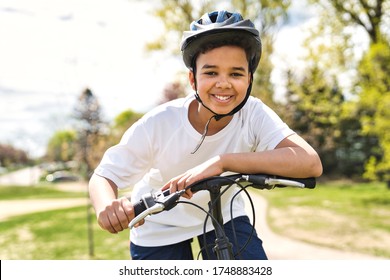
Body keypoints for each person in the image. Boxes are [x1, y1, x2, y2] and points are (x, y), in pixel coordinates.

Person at [89, 10, 322, 260]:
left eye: (236, 73)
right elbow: (104, 175)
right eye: (211, 73)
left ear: (250, 79)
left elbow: (310, 162)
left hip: (224, 215)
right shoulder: (161, 122)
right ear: (192, 79)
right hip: (159, 224)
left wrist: (223, 162)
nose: (223, 83)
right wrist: (107, 208)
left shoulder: (254, 113)